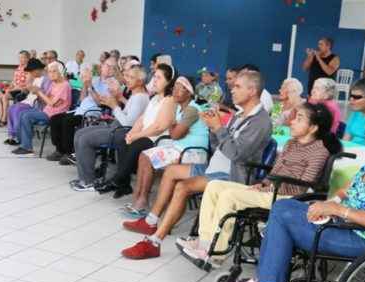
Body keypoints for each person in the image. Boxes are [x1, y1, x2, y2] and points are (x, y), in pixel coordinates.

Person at [226, 103, 365, 282]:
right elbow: (346, 190)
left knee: (283, 218)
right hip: (345, 223)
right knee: (283, 207)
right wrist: (329, 203)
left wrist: (338, 210)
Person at [120, 70, 272, 260]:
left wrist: (218, 127)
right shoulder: (240, 115)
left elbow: (237, 155)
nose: (232, 90)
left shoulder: (260, 121)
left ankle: (155, 241)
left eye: (237, 86)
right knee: (171, 171)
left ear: (252, 90)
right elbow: (219, 148)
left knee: (183, 187)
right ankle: (151, 220)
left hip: (233, 176)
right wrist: (212, 128)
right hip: (214, 166)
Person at [180, 102, 341, 269]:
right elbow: (274, 173)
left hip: (286, 198)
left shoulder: (319, 151)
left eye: (299, 119)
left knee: (230, 196)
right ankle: (205, 241)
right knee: (215, 186)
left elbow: (302, 187)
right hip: (271, 190)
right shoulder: (291, 144)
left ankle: (215, 253)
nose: (292, 121)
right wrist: (263, 184)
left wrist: (269, 188)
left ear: (313, 127)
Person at [121, 76, 210, 218]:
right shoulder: (182, 108)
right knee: (144, 155)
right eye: (174, 88)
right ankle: (139, 198)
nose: (174, 91)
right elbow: (174, 132)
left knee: (147, 158)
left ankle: (141, 201)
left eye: (179, 89)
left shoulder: (192, 110)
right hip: (180, 148)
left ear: (189, 92)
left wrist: (172, 124)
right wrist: (173, 124)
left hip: (193, 153)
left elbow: (176, 135)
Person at [94, 64, 178, 197]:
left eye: (159, 78)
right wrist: (132, 132)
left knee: (136, 144)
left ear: (169, 82)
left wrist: (137, 135)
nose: (154, 80)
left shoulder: (169, 100)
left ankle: (116, 179)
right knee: (124, 141)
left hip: (158, 139)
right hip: (146, 135)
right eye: (154, 77)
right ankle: (124, 185)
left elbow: (158, 127)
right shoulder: (155, 98)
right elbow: (141, 119)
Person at [70, 65, 150, 190]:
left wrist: (114, 106)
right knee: (80, 133)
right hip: (117, 127)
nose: (126, 79)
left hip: (123, 132)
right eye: (126, 75)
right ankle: (84, 177)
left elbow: (128, 123)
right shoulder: (137, 95)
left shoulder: (140, 97)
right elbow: (127, 113)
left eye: (131, 77)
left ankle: (88, 181)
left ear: (140, 81)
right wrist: (116, 99)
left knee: (85, 139)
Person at [46, 57, 119, 162]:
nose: (107, 68)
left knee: (68, 122)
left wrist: (90, 87)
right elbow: (82, 99)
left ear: (114, 70)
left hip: (93, 112)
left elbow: (100, 103)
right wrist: (85, 85)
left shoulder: (113, 84)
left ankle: (70, 153)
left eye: (111, 67)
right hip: (80, 109)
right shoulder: (95, 79)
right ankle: (59, 149)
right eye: (106, 65)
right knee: (55, 119)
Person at [11, 62, 72, 155]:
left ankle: (27, 147)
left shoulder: (64, 85)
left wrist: (39, 92)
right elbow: (46, 98)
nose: (51, 74)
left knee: (26, 116)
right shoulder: (54, 84)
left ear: (61, 72)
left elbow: (51, 103)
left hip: (55, 115)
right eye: (50, 72)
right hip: (46, 111)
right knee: (22, 113)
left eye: (54, 71)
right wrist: (35, 91)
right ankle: (23, 143)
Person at [5, 58, 46, 145]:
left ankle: (18, 136)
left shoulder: (45, 80)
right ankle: (11, 135)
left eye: (32, 71)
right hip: (29, 100)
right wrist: (26, 89)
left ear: (38, 70)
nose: (30, 73)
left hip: (36, 103)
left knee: (17, 110)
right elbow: (29, 91)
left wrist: (37, 90)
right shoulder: (35, 78)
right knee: (11, 108)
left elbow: (45, 94)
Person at [0, 50, 30, 127]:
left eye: (23, 57)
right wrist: (7, 85)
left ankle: (4, 119)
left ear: (27, 58)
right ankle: (0, 115)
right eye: (19, 57)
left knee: (5, 96)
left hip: (22, 91)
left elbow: (26, 85)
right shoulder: (18, 68)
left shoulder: (29, 69)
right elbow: (14, 82)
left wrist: (11, 89)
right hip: (14, 89)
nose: (20, 59)